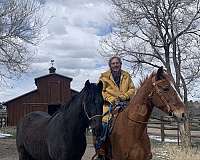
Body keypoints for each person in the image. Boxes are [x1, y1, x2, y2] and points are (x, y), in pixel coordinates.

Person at [94, 56, 136, 159]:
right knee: (103, 124)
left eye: (117, 63)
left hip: (125, 104)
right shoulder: (103, 77)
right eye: (113, 63)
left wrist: (124, 97)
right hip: (109, 106)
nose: (115, 65)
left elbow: (132, 89)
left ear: (121, 64)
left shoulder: (127, 76)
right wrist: (111, 99)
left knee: (137, 120)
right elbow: (100, 91)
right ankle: (101, 148)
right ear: (110, 65)